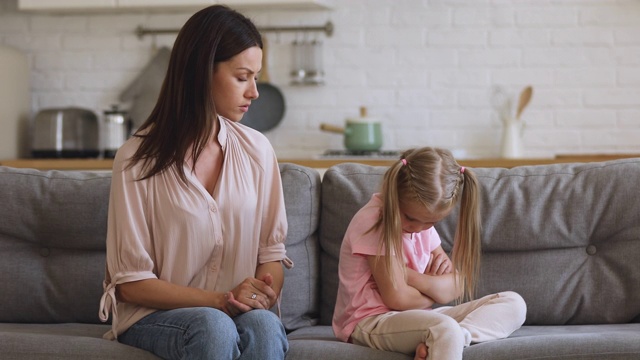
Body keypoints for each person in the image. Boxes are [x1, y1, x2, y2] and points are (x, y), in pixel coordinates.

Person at [98, 5, 292, 360]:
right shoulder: (136, 160)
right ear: (202, 73)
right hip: (158, 318)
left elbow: (271, 256)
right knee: (212, 325)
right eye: (241, 77)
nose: (254, 92)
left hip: (235, 312)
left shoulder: (258, 151)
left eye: (256, 78)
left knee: (264, 325)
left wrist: (262, 293)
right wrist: (219, 301)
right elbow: (131, 284)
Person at [332, 147, 527, 360]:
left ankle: (458, 337)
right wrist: (434, 289)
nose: (418, 228)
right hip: (371, 321)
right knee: (444, 327)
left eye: (431, 222)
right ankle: (447, 336)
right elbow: (398, 298)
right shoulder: (375, 221)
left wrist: (409, 276)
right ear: (394, 195)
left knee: (514, 303)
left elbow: (455, 286)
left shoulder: (423, 227)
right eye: (410, 218)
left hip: (421, 319)